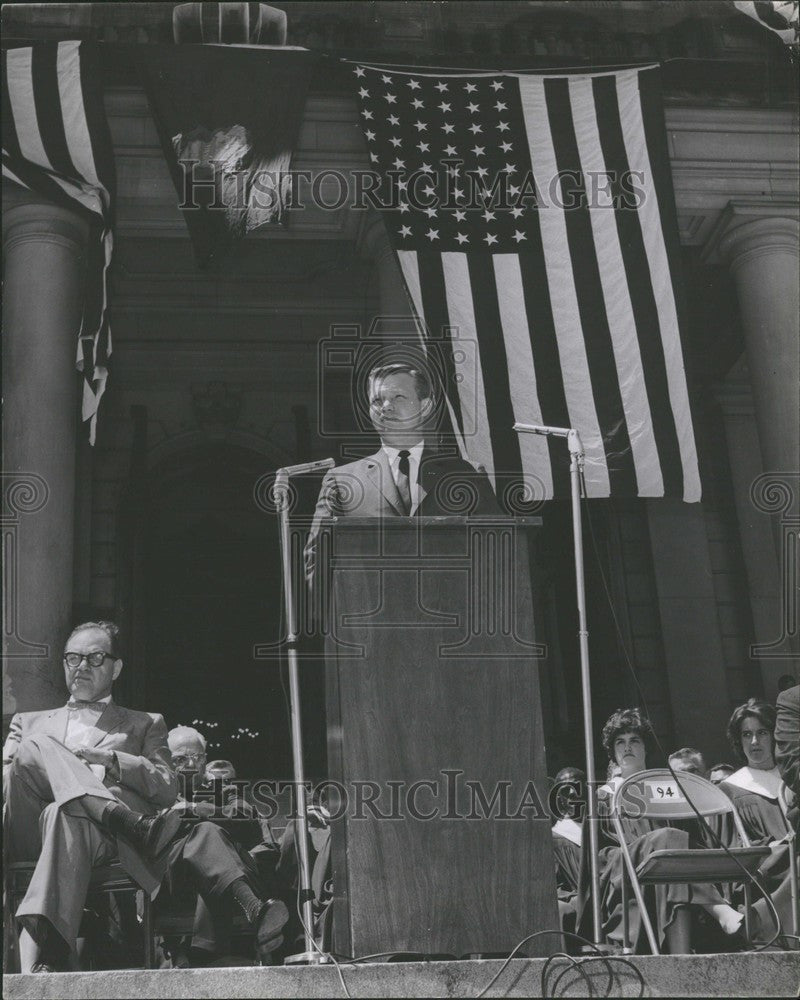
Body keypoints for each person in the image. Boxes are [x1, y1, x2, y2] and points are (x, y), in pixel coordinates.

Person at [2, 621, 180, 973]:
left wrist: (114, 761)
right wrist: (54, 763)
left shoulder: (145, 722)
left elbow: (166, 787)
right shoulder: (29, 722)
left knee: (61, 812)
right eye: (73, 658)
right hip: (26, 828)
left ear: (116, 668)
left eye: (95, 657)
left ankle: (45, 955)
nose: (81, 666)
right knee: (37, 746)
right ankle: (119, 815)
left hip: (95, 840)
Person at [304, 361, 500, 580]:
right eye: (377, 400)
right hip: (368, 610)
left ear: (425, 406)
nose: (386, 406)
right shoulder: (343, 481)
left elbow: (498, 551)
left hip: (453, 609)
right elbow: (317, 560)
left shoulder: (466, 475)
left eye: (398, 397)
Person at [577, 708, 748, 953]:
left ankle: (682, 957)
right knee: (670, 841)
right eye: (620, 742)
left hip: (671, 873)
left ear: (646, 747)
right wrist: (646, 848)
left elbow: (696, 843)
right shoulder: (603, 798)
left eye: (634, 740)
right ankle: (718, 910)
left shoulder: (666, 792)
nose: (627, 747)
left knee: (673, 855)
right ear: (612, 752)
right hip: (626, 877)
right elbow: (599, 861)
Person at [156, 726, 288, 967]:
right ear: (165, 760)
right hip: (173, 879)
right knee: (208, 833)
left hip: (215, 880)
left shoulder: (219, 789)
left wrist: (196, 810)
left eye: (197, 757)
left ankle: (200, 956)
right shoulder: (156, 788)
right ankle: (254, 911)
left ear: (205, 760)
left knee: (212, 850)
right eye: (180, 759)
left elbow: (246, 815)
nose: (190, 765)